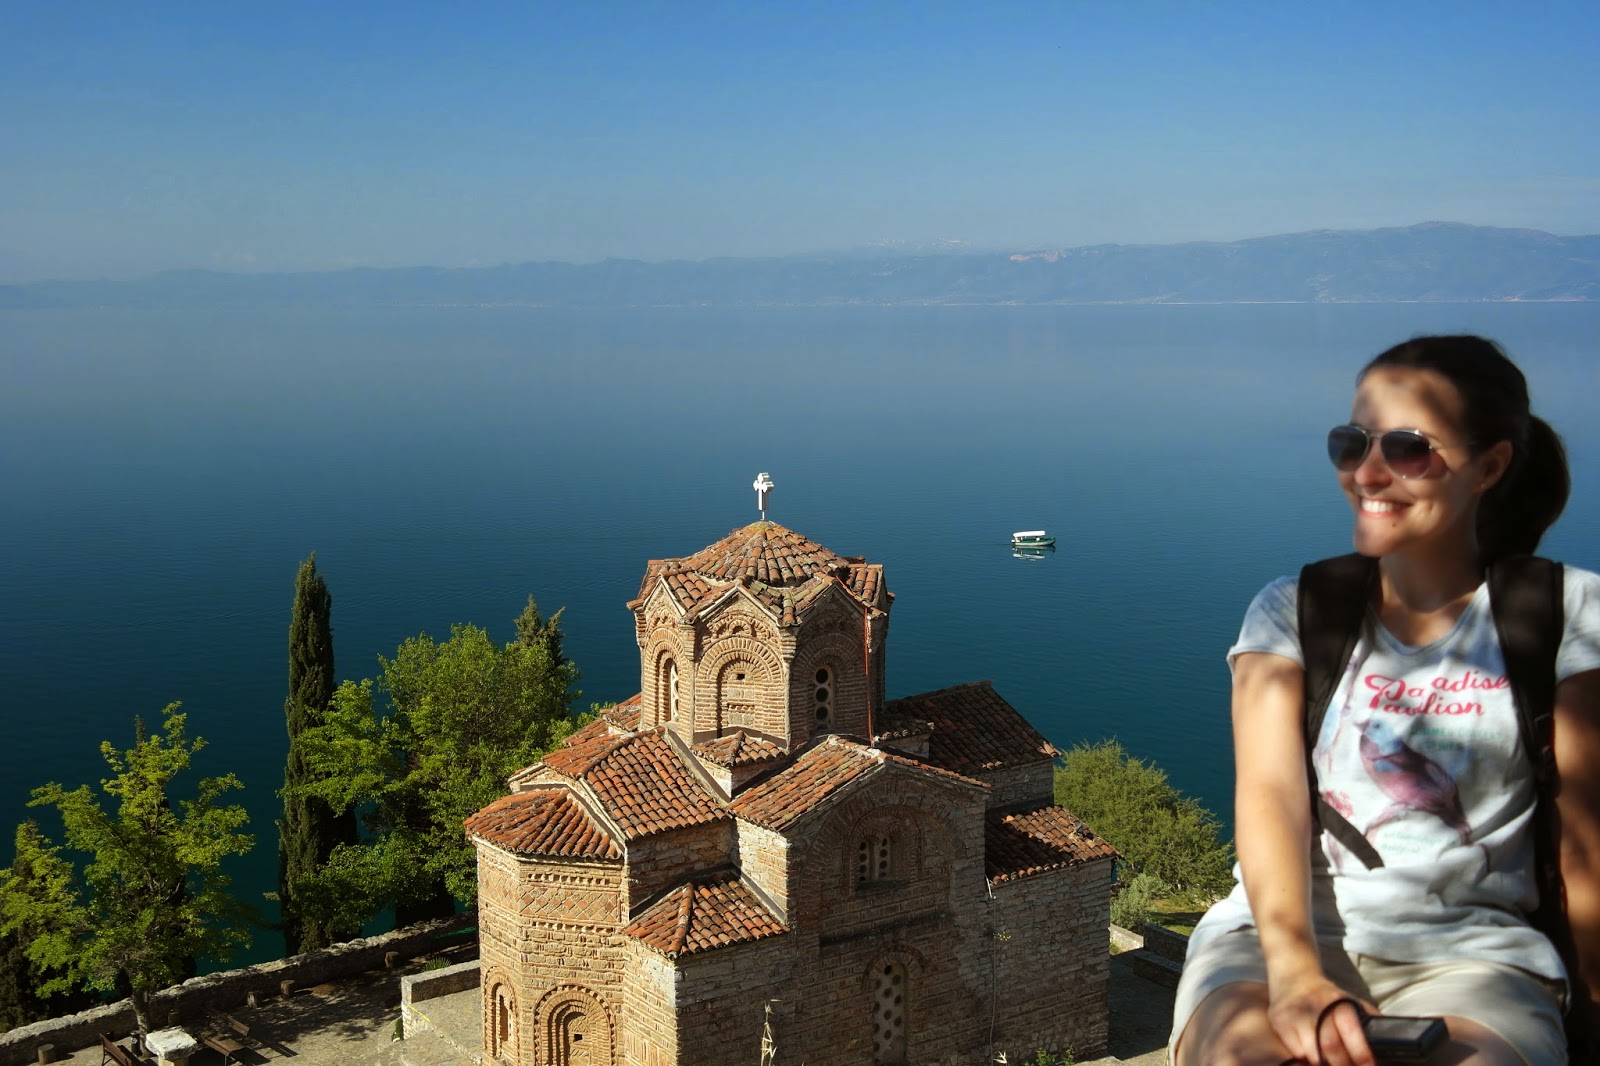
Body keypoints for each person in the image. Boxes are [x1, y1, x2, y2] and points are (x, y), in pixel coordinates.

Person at [1171, 336, 1600, 1065]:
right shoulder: (1291, 611)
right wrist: (1296, 976)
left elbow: (1587, 837)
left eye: (1409, 449)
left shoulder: (1569, 614)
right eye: (1353, 443)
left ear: (1490, 466)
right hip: (1270, 945)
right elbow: (1270, 795)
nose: (1368, 472)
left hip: (1474, 960)